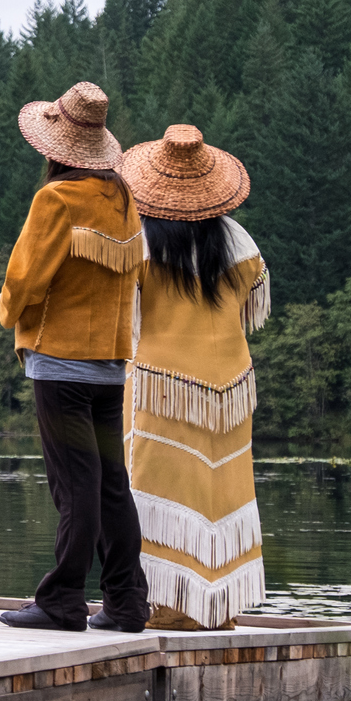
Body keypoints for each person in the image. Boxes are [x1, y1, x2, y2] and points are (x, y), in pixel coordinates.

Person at [0, 81, 148, 634]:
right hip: (111, 366)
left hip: (60, 362)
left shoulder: (55, 199)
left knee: (73, 484)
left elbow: (25, 278)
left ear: (56, 146)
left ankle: (61, 602)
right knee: (110, 483)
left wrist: (7, 310)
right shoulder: (124, 199)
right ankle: (128, 604)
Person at [116, 124, 270, 629]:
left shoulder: (141, 238)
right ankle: (217, 609)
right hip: (229, 383)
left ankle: (166, 604)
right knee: (219, 489)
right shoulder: (237, 241)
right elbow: (252, 302)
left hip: (161, 386)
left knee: (152, 492)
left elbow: (126, 305)